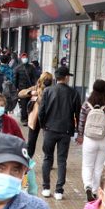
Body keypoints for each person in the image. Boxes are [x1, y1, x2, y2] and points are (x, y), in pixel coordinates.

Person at [38, 65, 81, 200]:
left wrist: (43, 125)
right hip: (65, 130)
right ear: (66, 77)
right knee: (62, 160)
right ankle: (59, 190)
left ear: (56, 78)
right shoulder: (73, 93)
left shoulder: (48, 91)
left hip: (49, 129)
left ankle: (46, 188)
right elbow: (78, 114)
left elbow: (41, 111)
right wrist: (77, 130)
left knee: (47, 158)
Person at [77, 79, 105, 202]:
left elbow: (81, 122)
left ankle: (88, 187)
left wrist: (80, 135)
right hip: (104, 139)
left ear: (93, 89)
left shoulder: (86, 105)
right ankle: (95, 191)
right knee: (99, 166)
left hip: (89, 139)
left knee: (87, 165)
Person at [24, 71, 52, 157]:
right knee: (31, 142)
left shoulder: (52, 90)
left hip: (47, 119)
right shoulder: (36, 88)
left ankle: (47, 161)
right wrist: (30, 93)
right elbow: (20, 93)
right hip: (35, 119)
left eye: (49, 80)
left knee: (47, 143)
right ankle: (28, 160)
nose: (47, 81)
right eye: (46, 79)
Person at [13, 52, 36, 125]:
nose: (24, 59)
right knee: (24, 104)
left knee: (31, 103)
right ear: (21, 58)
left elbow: (34, 78)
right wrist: (15, 89)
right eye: (23, 58)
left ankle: (28, 118)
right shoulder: (18, 68)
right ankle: (24, 119)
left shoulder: (31, 67)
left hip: (29, 89)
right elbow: (15, 80)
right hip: (22, 89)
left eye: (25, 57)